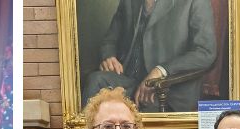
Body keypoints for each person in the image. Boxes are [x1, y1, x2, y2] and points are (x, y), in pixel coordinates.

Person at [81, 0, 216, 112]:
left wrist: (161, 70)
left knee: (136, 119)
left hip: (167, 90)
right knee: (94, 81)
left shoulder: (196, 2)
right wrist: (108, 56)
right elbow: (110, 40)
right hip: (128, 79)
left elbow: (205, 52)